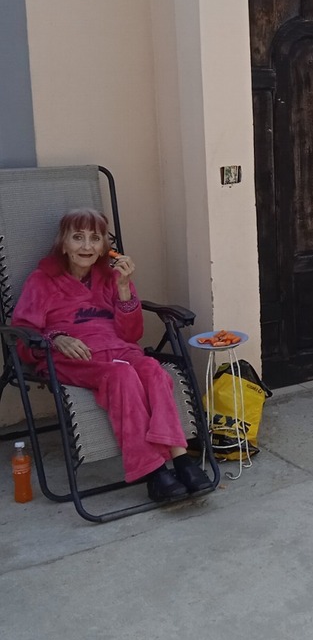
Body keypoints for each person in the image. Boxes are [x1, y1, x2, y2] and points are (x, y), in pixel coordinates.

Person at [11, 208, 213, 501]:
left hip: (120, 350)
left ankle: (180, 459)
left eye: (95, 238)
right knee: (122, 375)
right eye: (77, 237)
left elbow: (131, 335)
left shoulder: (111, 277)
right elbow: (21, 338)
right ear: (63, 244)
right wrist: (55, 338)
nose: (87, 246)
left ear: (104, 247)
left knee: (153, 370)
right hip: (73, 357)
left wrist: (123, 288)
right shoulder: (41, 280)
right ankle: (153, 472)